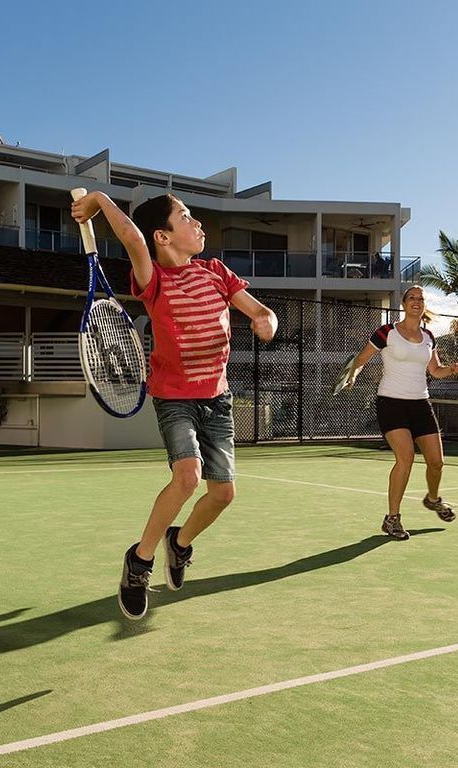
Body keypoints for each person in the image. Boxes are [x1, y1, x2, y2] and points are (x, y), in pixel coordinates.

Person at [71, 191, 277, 619]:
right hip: (175, 399)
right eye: (186, 217)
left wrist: (264, 322)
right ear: (163, 237)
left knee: (223, 494)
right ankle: (140, 561)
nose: (197, 224)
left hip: (217, 400)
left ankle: (179, 543)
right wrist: (100, 199)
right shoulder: (154, 280)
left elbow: (260, 310)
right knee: (188, 476)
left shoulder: (216, 272)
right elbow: (132, 239)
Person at [346, 285, 458, 540]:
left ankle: (433, 499)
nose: (417, 302)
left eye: (421, 299)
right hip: (391, 402)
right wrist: (353, 373)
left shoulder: (429, 336)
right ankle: (392, 519)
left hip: (421, 404)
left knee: (436, 462)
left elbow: (435, 370)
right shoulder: (387, 332)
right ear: (403, 303)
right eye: (412, 298)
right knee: (406, 457)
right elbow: (362, 358)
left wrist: (450, 369)